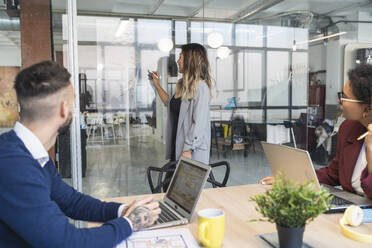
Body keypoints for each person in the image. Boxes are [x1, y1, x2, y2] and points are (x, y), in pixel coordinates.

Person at [0, 61, 161, 247]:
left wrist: (124, 211)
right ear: (64, 109)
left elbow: (72, 202)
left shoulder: (30, 153)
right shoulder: (13, 165)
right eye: (74, 101)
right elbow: (68, 243)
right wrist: (131, 223)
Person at [259, 64, 372, 198]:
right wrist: (290, 179)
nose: (339, 100)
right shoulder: (349, 128)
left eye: (344, 96)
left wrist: (370, 151)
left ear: (366, 108)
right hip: (352, 211)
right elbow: (332, 174)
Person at [149, 43, 212, 188]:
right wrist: (157, 85)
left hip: (189, 152)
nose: (178, 61)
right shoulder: (183, 86)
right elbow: (170, 103)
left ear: (190, 60)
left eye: (181, 57)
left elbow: (199, 123)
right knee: (170, 190)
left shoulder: (201, 88)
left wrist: (187, 150)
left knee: (182, 194)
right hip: (177, 149)